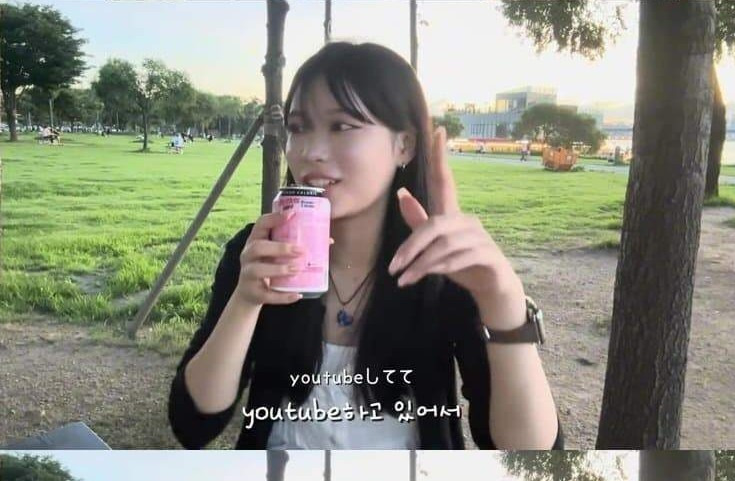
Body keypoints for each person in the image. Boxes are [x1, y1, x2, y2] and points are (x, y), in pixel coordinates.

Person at [169, 41, 563, 450]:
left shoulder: (444, 267)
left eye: (341, 126)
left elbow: (529, 453)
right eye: (298, 127)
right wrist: (245, 302)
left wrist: (502, 301)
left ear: (404, 145)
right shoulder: (259, 253)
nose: (309, 151)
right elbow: (193, 424)